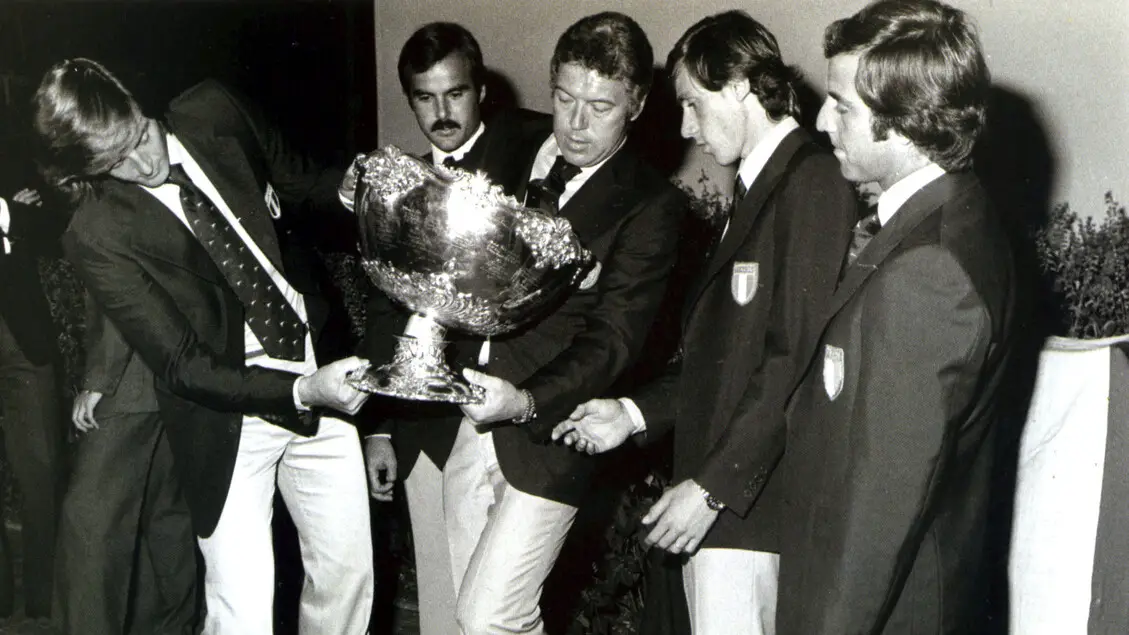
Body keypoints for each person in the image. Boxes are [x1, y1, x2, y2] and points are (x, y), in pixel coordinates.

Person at [33, 58, 378, 634]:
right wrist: (300, 391)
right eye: (115, 164)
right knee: (243, 610)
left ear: (137, 101)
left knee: (347, 576)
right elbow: (181, 364)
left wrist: (345, 189)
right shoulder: (96, 233)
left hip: (315, 364)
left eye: (140, 136)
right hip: (227, 416)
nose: (145, 165)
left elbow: (304, 185)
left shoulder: (215, 109)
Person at [370, 12, 683, 634]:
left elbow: (614, 339)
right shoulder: (511, 141)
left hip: (551, 432)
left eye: (601, 106)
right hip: (467, 422)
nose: (577, 124)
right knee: (464, 620)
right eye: (565, 99)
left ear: (638, 104)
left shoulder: (651, 205)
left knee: (491, 613)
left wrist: (526, 401)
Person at [551, 11, 856, 635]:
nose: (686, 128)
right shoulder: (760, 186)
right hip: (718, 505)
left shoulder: (812, 179)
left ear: (739, 86)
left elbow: (791, 360)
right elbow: (721, 361)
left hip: (748, 511)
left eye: (693, 104)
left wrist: (713, 487)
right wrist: (632, 414)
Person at [776, 2, 1016, 632]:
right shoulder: (954, 213)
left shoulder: (929, 272)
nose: (821, 120)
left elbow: (881, 507)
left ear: (905, 122)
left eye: (842, 106)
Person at [357, 21, 543, 635]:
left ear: (482, 91)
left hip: (516, 417)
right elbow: (384, 308)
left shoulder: (533, 158)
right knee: (442, 601)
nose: (441, 113)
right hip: (426, 429)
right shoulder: (397, 187)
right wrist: (379, 428)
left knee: (503, 608)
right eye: (424, 97)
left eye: (455, 93)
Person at [56, 299, 197, 634]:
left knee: (89, 523)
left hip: (128, 384)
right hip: (177, 381)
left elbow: (121, 291)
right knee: (164, 516)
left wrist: (99, 379)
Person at [0, 184, 66, 628]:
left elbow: (56, 223)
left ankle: (46, 599)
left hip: (21, 341)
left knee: (42, 468)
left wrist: (6, 213)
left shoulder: (14, 161)